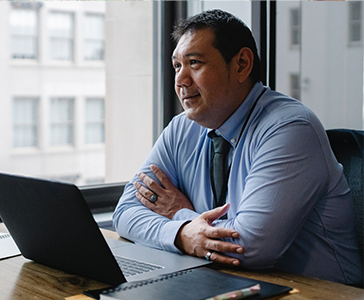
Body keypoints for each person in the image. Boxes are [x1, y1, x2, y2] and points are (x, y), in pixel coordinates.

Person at [112, 9, 363, 285]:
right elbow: (125, 213)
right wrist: (183, 233)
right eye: (176, 66)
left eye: (194, 63)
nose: (181, 81)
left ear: (242, 64)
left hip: (318, 293)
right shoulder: (181, 128)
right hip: (229, 283)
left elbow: (250, 247)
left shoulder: (290, 128)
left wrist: (178, 214)